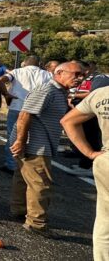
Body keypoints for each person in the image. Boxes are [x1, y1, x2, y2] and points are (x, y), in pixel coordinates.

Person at [9, 62, 84, 238]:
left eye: (82, 75)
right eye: (76, 74)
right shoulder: (47, 90)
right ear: (59, 73)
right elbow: (25, 114)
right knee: (41, 184)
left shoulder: (59, 91)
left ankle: (19, 210)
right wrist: (21, 141)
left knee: (23, 179)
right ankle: (36, 223)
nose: (80, 78)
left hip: (36, 143)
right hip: (35, 144)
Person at [61, 86, 109, 260]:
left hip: (105, 161)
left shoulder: (101, 93)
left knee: (105, 223)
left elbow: (68, 121)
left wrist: (90, 153)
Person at [0, 56, 51, 174]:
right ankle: (31, 166)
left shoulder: (16, 72)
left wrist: (6, 94)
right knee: (34, 138)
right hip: (37, 110)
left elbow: (0, 80)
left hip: (17, 107)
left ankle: (12, 165)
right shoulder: (47, 74)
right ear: (40, 64)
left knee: (13, 137)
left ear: (24, 63)